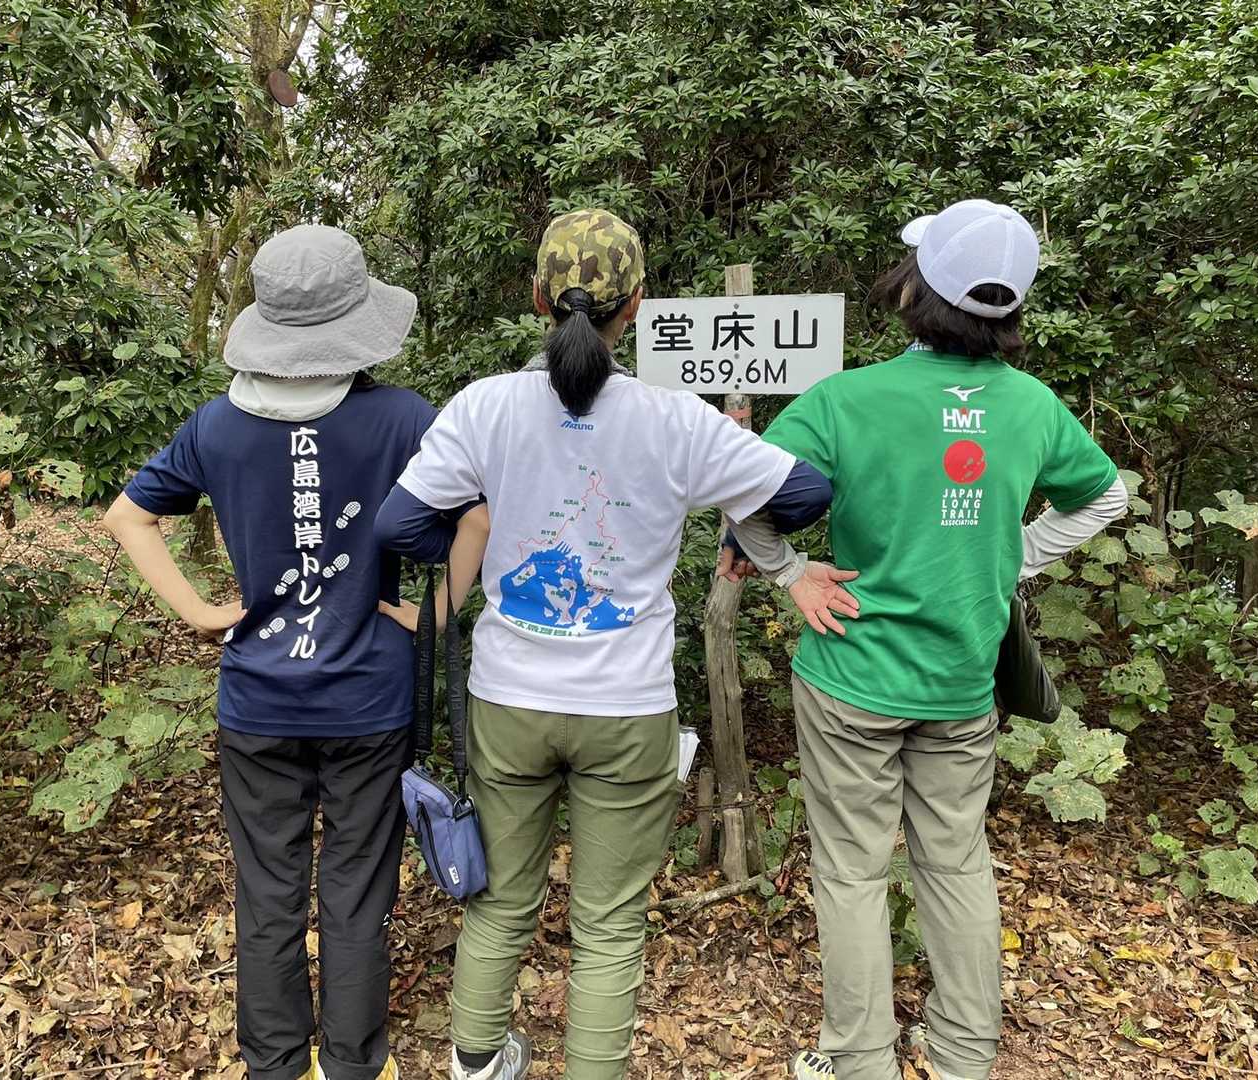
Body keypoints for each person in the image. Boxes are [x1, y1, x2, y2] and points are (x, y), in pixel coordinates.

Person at [373, 209, 856, 1080]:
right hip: (627, 708)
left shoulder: (483, 407)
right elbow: (804, 493)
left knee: (499, 900)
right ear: (634, 307)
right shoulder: (675, 420)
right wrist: (736, 520)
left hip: (508, 699)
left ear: (536, 297)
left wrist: (494, 521)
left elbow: (400, 524)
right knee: (608, 923)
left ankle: (476, 1059)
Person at [724, 199, 1129, 1080]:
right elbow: (1105, 497)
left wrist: (790, 572)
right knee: (955, 862)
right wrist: (1016, 554)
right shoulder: (1030, 406)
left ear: (916, 290)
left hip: (849, 673)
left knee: (851, 872)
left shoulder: (845, 400)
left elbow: (742, 491)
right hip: (960, 678)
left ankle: (859, 1058)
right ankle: (961, 1054)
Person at [104, 224, 482, 1080]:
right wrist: (437, 614)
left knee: (267, 890)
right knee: (357, 888)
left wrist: (201, 613)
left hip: (257, 702)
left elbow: (128, 517)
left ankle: (274, 1064)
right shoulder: (402, 418)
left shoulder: (216, 427)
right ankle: (352, 1064)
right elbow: (478, 517)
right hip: (370, 699)